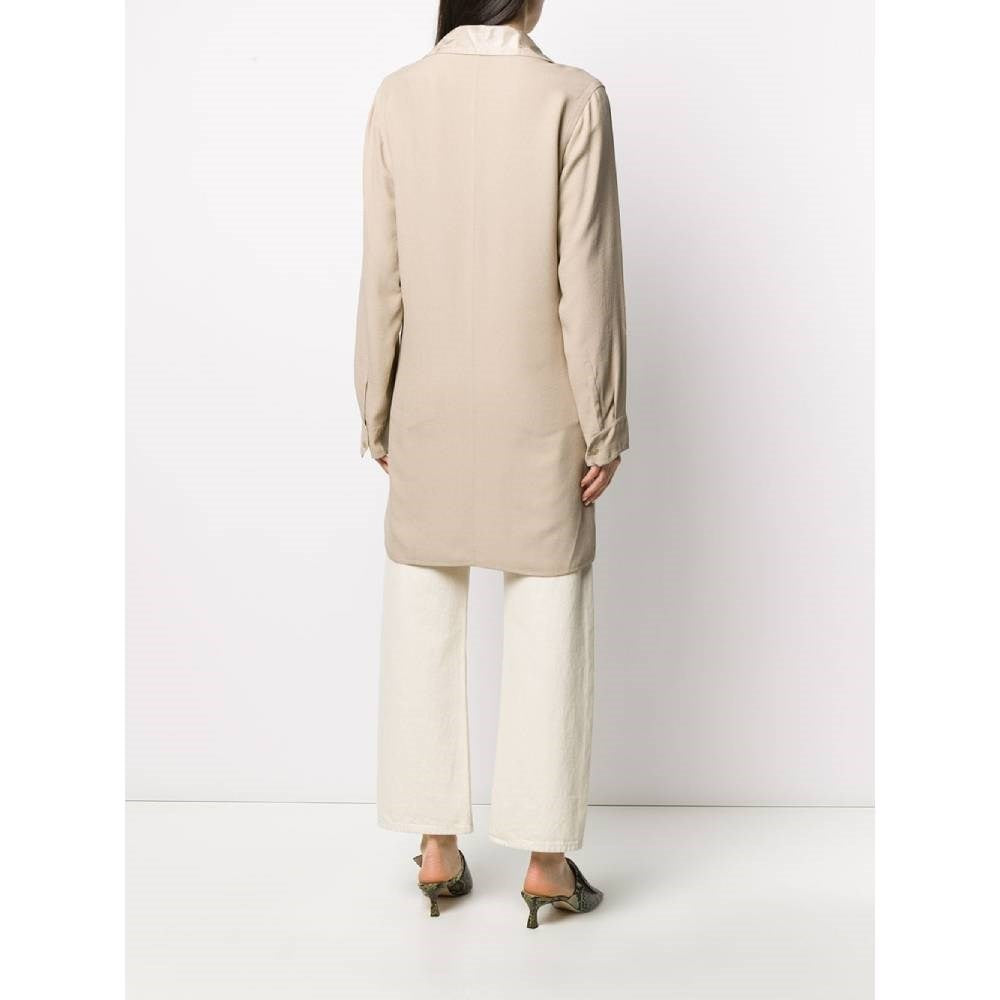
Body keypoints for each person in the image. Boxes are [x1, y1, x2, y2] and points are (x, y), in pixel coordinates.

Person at [354, 0, 629, 928]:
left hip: (429, 400)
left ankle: (435, 846)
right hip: (539, 407)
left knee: (421, 605)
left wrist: (375, 404)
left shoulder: (397, 96)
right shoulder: (572, 98)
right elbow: (585, 275)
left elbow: (383, 272)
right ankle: (546, 862)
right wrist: (604, 421)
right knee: (550, 608)